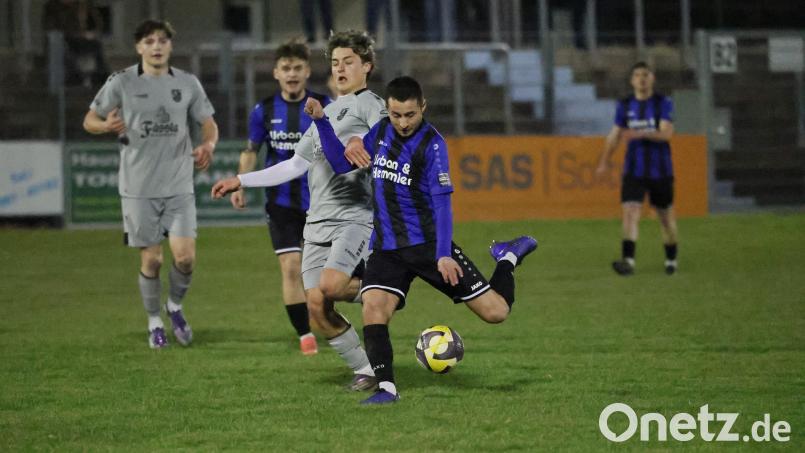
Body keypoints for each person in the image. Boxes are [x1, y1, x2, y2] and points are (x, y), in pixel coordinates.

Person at [305, 76, 538, 404]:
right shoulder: (381, 131)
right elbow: (342, 163)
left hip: (428, 246)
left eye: (410, 115)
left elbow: (443, 204)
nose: (403, 123)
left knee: (495, 312)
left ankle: (508, 258)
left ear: (423, 107)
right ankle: (387, 389)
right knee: (374, 308)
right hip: (387, 247)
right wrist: (321, 121)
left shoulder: (432, 145)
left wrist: (443, 254)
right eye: (396, 115)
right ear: (388, 110)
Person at [212, 30, 386, 391]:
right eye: (335, 63)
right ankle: (367, 369)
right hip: (316, 221)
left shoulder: (371, 105)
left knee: (331, 284)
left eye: (348, 62)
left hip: (353, 215)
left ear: (367, 66)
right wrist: (241, 180)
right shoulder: (327, 112)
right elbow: (294, 165)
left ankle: (387, 288)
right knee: (316, 307)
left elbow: (386, 139)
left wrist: (364, 140)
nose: (340, 69)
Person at [83, 20, 219, 348]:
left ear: (170, 45)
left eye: (162, 40)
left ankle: (174, 306)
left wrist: (208, 145)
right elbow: (89, 120)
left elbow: (208, 123)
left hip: (179, 184)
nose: (156, 46)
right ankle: (154, 321)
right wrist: (105, 126)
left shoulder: (187, 83)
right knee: (153, 260)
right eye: (149, 41)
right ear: (138, 47)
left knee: (185, 258)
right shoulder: (121, 81)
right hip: (138, 188)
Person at [230, 39, 330, 356]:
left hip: (320, 203)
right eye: (286, 68)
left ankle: (323, 318)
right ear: (276, 73)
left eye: (297, 68)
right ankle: (305, 334)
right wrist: (241, 183)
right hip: (281, 203)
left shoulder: (324, 105)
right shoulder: (264, 110)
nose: (292, 74)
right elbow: (251, 150)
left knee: (323, 275)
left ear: (307, 71)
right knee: (290, 267)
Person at [595, 62, 678, 276]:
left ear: (652, 79)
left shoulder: (662, 103)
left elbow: (666, 134)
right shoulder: (625, 105)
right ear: (632, 80)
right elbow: (614, 136)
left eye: (645, 75)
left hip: (660, 171)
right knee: (630, 212)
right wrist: (604, 161)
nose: (642, 79)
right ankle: (628, 261)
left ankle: (671, 259)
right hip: (634, 170)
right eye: (638, 75)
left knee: (665, 217)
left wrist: (640, 134)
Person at [43, 0, 109, 86]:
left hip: (77, 38)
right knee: (62, 47)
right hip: (62, 39)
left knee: (96, 45)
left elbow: (97, 23)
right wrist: (78, 34)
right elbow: (51, 27)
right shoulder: (52, 7)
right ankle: (74, 77)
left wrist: (90, 33)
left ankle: (101, 77)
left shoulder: (80, 5)